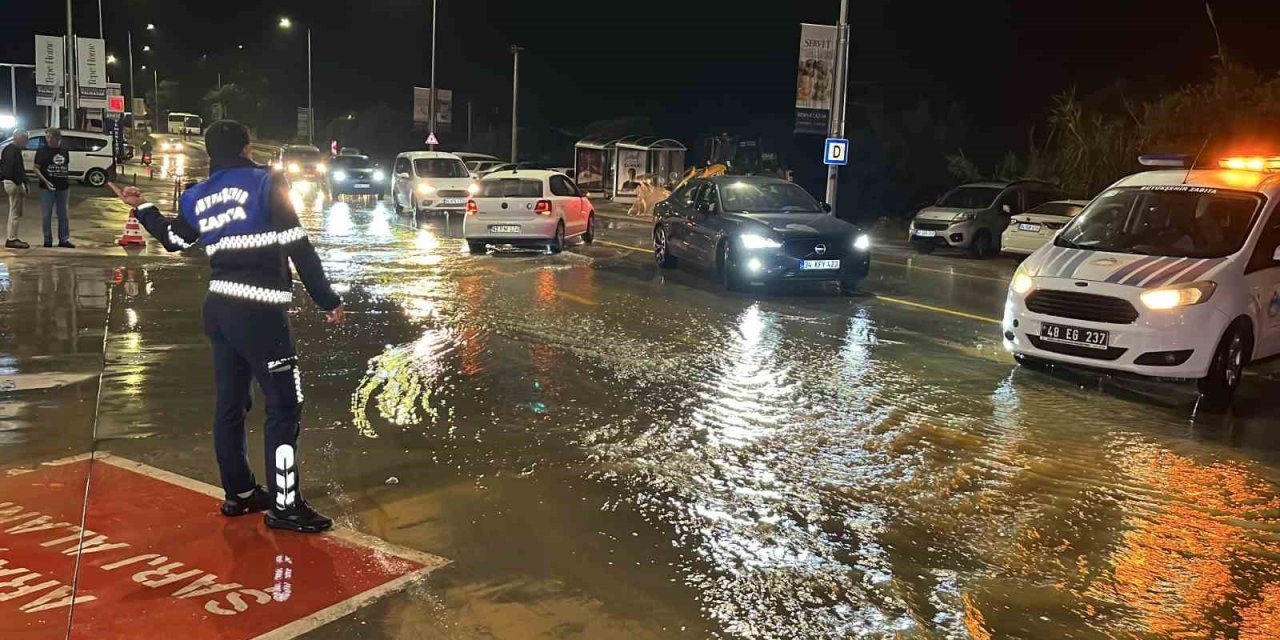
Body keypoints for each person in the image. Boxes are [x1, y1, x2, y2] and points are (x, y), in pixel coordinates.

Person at [110, 120, 346, 533]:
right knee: (284, 405)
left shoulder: (197, 194)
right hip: (260, 312)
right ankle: (286, 505)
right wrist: (327, 299)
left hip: (219, 308)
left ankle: (239, 492)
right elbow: (297, 245)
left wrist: (142, 207)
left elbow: (175, 241)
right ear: (248, 146)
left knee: (231, 403)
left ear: (210, 152)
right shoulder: (266, 182)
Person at [33, 128, 73, 248]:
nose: (48, 139)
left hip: (63, 187)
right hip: (46, 187)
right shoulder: (42, 151)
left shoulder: (64, 150)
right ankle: (48, 240)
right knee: (46, 214)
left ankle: (64, 239)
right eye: (47, 137)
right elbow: (35, 168)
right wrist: (45, 181)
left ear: (57, 138)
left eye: (50, 137)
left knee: (63, 214)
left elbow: (65, 166)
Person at [0, 130, 30, 249]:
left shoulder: (11, 150)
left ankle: (12, 238)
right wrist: (20, 183)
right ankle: (12, 239)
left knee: (15, 211)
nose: (27, 142)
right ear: (19, 138)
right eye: (26, 139)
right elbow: (10, 170)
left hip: (12, 182)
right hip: (13, 183)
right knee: (15, 212)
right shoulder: (12, 151)